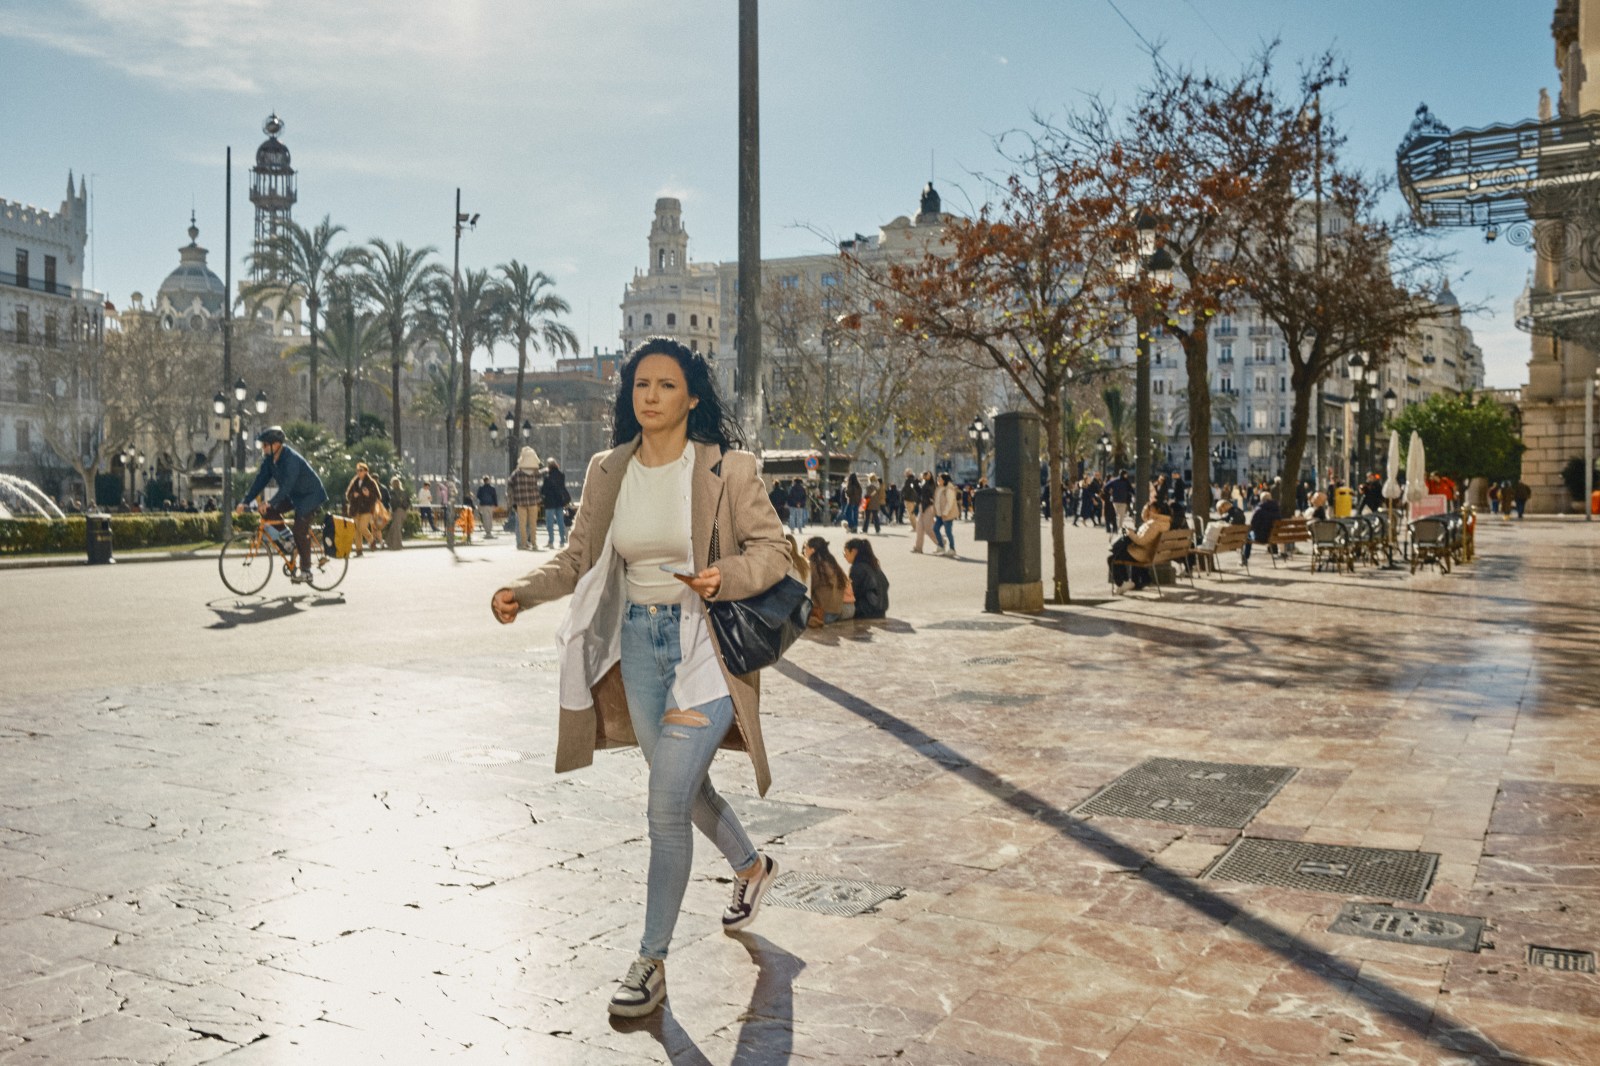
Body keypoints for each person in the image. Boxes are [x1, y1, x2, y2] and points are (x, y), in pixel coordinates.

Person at [489, 337, 788, 1019]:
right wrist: (521, 591)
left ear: (691, 397)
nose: (649, 396)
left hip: (704, 649)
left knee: (664, 804)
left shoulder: (727, 469)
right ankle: (751, 866)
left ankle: (650, 961)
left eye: (665, 385)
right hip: (638, 647)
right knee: (682, 789)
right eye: (640, 385)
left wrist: (727, 575)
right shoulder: (606, 470)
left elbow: (777, 550)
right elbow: (577, 558)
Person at [239, 426, 328, 583]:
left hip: (310, 495)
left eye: (265, 445)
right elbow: (259, 482)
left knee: (300, 530)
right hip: (294, 495)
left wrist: (270, 502)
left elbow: (287, 485)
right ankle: (290, 540)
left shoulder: (290, 459)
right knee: (267, 512)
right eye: (262, 445)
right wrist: (245, 501)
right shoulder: (270, 461)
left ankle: (306, 571)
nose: (263, 448)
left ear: (276, 444)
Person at [1108, 499, 1171, 592]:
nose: (1149, 510)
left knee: (1112, 558)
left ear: (1158, 510)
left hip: (1143, 553)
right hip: (1149, 552)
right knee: (1120, 549)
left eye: (1151, 508)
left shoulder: (1154, 524)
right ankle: (1137, 581)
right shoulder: (1163, 522)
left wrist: (1129, 532)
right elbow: (1145, 518)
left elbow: (1141, 541)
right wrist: (1146, 507)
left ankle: (1123, 583)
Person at [804, 536, 851, 625]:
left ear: (812, 550)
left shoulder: (813, 565)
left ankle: (812, 620)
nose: (804, 551)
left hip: (821, 613)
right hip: (836, 612)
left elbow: (805, 589)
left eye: (806, 548)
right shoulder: (831, 563)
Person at [843, 537, 889, 619]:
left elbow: (853, 592)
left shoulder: (857, 568)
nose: (845, 557)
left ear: (853, 551)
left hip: (867, 610)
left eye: (845, 553)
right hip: (881, 609)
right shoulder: (874, 565)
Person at [508, 446, 543, 551]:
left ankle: (523, 543)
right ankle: (534, 543)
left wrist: (512, 496)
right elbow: (542, 472)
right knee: (533, 523)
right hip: (533, 501)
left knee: (522, 524)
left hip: (520, 501)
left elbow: (509, 483)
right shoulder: (535, 473)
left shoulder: (517, 473)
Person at [345, 462, 382, 558]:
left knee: (362, 527)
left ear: (366, 471)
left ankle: (371, 540)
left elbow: (378, 497)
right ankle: (359, 550)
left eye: (360, 470)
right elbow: (348, 495)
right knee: (356, 531)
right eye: (357, 470)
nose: (358, 472)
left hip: (367, 509)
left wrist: (368, 494)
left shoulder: (371, 482)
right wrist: (353, 495)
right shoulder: (354, 481)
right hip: (355, 509)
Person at [540, 458, 571, 548]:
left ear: (548, 466)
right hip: (559, 501)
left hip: (550, 502)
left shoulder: (547, 477)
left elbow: (544, 490)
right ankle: (562, 541)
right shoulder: (561, 475)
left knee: (550, 523)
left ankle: (551, 542)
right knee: (560, 522)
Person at [1245, 489, 1282, 565]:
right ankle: (1274, 550)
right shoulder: (1277, 509)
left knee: (1247, 535)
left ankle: (1245, 558)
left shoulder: (1259, 509)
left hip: (1261, 537)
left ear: (1261, 499)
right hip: (1272, 537)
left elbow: (1252, 524)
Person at [933, 472, 960, 558]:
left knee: (948, 532)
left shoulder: (949, 489)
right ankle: (941, 546)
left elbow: (950, 502)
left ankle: (952, 549)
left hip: (947, 514)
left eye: (940, 478)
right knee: (935, 528)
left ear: (944, 480)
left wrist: (945, 513)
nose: (938, 480)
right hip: (939, 514)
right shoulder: (939, 488)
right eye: (938, 478)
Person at [911, 471, 937, 553]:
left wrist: (924, 481)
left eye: (927, 474)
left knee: (928, 529)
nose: (925, 475)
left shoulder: (931, 484)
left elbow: (930, 492)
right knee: (919, 529)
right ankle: (918, 548)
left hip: (928, 507)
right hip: (921, 506)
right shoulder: (922, 483)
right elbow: (917, 490)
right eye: (924, 474)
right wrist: (917, 480)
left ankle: (941, 543)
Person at [385, 476, 410, 550]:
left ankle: (396, 545)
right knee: (396, 527)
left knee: (396, 528)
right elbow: (408, 502)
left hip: (397, 511)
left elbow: (392, 502)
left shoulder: (391, 492)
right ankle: (390, 543)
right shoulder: (404, 492)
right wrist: (405, 507)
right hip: (403, 511)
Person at [1105, 468, 1134, 533]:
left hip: (1115, 500)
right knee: (1121, 515)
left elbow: (1106, 486)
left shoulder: (1115, 481)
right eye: (1126, 474)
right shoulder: (1126, 482)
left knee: (1117, 515)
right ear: (1124, 474)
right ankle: (1119, 528)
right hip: (1123, 500)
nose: (1127, 476)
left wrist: (1110, 491)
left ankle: (1117, 527)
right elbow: (1131, 489)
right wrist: (1133, 494)